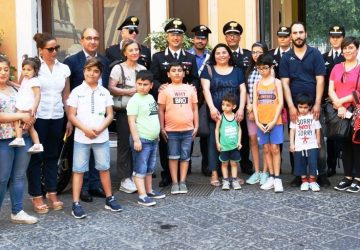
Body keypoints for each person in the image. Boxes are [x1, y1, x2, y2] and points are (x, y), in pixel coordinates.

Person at [67, 58, 122, 219]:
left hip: (101, 137)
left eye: (96, 71)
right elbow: (71, 114)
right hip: (81, 137)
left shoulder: (104, 91)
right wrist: (85, 129)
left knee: (104, 168)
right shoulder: (77, 91)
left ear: (100, 74)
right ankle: (76, 203)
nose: (92, 74)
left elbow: (110, 114)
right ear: (84, 71)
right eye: (89, 70)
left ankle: (109, 198)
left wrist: (100, 128)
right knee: (78, 170)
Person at [279, 21, 329, 187]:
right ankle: (298, 174)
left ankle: (321, 173)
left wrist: (317, 103)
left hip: (313, 105)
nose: (298, 36)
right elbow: (285, 83)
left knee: (317, 139)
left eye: (301, 32)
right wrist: (291, 106)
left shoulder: (315, 54)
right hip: (295, 107)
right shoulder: (286, 57)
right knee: (296, 140)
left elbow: (320, 80)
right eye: (295, 33)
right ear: (291, 36)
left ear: (306, 34)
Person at [150, 18, 199, 187]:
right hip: (166, 105)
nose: (176, 37)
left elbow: (195, 79)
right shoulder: (157, 57)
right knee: (166, 142)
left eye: (179, 34)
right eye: (172, 34)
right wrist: (160, 86)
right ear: (167, 37)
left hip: (184, 104)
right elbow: (153, 78)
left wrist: (192, 87)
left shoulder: (190, 58)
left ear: (182, 37)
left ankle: (183, 175)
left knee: (185, 142)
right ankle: (167, 174)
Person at [27, 32, 71, 213]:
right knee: (36, 157)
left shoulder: (63, 69)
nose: (54, 52)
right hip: (39, 118)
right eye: (50, 49)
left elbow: (66, 95)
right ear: (41, 50)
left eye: (56, 48)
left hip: (57, 117)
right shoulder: (34, 67)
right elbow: (25, 90)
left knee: (52, 156)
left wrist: (69, 119)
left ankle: (52, 192)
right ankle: (36, 195)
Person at [63, 27, 109, 202]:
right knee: (82, 155)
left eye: (96, 38)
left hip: (99, 116)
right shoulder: (71, 61)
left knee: (99, 152)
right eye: (88, 38)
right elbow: (67, 93)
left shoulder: (104, 60)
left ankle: (96, 185)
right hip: (79, 118)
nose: (92, 41)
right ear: (81, 40)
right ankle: (84, 188)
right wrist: (69, 119)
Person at [201, 43, 246, 186]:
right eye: (218, 53)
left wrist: (241, 109)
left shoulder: (238, 71)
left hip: (233, 114)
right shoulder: (208, 70)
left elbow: (243, 91)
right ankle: (214, 173)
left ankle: (234, 175)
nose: (221, 55)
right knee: (214, 143)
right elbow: (206, 90)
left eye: (224, 52)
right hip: (216, 113)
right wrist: (212, 108)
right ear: (214, 55)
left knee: (233, 140)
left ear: (229, 55)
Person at [0, 55, 38, 224]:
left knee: (19, 176)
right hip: (4, 139)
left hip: (24, 136)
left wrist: (31, 118)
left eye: (6, 69)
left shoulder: (17, 88)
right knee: (2, 178)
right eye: (0, 70)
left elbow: (31, 105)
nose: (3, 73)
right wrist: (21, 115)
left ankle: (17, 211)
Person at [108, 39, 146, 193]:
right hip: (124, 111)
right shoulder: (118, 68)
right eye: (131, 50)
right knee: (124, 143)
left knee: (138, 143)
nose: (134, 53)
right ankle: (124, 178)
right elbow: (111, 88)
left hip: (140, 112)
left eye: (136, 50)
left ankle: (136, 174)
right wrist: (129, 91)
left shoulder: (142, 68)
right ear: (124, 52)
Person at [158, 62, 198, 194]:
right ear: (168, 74)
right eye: (173, 70)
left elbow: (195, 109)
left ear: (184, 73)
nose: (176, 73)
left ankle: (183, 181)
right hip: (171, 131)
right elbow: (161, 110)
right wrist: (162, 127)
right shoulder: (164, 90)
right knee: (173, 157)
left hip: (188, 130)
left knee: (185, 157)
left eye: (179, 70)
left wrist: (196, 126)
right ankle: (175, 182)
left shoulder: (190, 89)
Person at [127, 70, 165, 206]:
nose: (142, 87)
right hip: (141, 140)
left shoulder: (150, 98)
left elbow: (153, 117)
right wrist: (136, 140)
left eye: (145, 84)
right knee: (140, 168)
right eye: (139, 84)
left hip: (153, 139)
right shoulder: (134, 100)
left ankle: (149, 190)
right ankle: (142, 195)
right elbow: (132, 122)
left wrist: (157, 134)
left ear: (151, 85)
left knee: (150, 168)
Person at [328, 36, 360, 193]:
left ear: (357, 49)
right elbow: (330, 90)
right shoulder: (337, 67)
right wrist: (338, 105)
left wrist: (341, 102)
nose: (347, 50)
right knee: (344, 144)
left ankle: (358, 178)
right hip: (339, 112)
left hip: (356, 112)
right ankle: (347, 176)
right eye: (345, 48)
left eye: (351, 47)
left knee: (357, 144)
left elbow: (359, 93)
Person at [223, 21, 253, 175]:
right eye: (229, 34)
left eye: (235, 34)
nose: (232, 37)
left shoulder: (248, 55)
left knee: (244, 133)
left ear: (240, 36)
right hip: (226, 100)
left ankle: (245, 162)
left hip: (243, 98)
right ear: (226, 37)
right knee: (225, 132)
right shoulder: (220, 53)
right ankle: (224, 163)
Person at [253, 53, 284, 192]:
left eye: (265, 68)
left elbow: (280, 103)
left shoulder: (277, 82)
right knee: (266, 149)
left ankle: (277, 178)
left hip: (275, 121)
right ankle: (271, 176)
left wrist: (273, 121)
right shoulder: (257, 83)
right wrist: (258, 121)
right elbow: (254, 103)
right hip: (261, 122)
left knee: (275, 148)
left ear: (271, 67)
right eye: (260, 68)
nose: (262, 71)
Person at [188, 24, 212, 177]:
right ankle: (186, 166)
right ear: (193, 39)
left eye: (203, 38)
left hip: (204, 99)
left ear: (207, 40)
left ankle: (207, 166)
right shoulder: (186, 55)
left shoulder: (211, 57)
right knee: (187, 134)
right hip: (187, 100)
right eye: (198, 38)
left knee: (205, 133)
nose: (200, 41)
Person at [244, 42, 269, 186]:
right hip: (251, 112)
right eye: (253, 52)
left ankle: (265, 171)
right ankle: (256, 170)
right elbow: (247, 91)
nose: (256, 55)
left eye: (259, 52)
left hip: (265, 111)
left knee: (265, 142)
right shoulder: (249, 70)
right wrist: (250, 108)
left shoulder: (268, 70)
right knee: (253, 140)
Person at [322, 25, 345, 177]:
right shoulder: (323, 58)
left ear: (343, 38)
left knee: (346, 134)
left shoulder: (349, 56)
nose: (335, 39)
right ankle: (330, 165)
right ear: (329, 38)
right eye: (332, 36)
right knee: (330, 136)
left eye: (338, 36)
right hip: (329, 101)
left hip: (345, 102)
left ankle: (349, 168)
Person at [9, 56, 43, 153]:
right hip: (25, 106)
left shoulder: (35, 81)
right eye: (24, 69)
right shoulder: (26, 80)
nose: (25, 72)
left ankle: (19, 138)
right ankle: (37, 144)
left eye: (29, 70)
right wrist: (12, 84)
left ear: (35, 71)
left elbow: (37, 95)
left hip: (28, 108)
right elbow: (23, 88)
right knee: (31, 128)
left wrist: (34, 108)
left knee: (16, 118)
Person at [289, 93, 321, 192]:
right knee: (300, 163)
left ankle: (312, 181)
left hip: (312, 144)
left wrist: (318, 141)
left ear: (310, 107)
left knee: (312, 163)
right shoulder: (295, 117)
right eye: (300, 107)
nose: (303, 109)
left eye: (305, 107)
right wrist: (291, 144)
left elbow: (318, 129)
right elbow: (292, 130)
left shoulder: (313, 116)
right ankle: (304, 181)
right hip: (299, 146)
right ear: (297, 106)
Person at [215, 93, 242, 190]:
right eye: (223, 104)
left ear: (234, 106)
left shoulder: (236, 117)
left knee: (234, 163)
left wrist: (239, 142)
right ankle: (225, 181)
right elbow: (217, 130)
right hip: (224, 146)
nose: (224, 107)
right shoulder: (221, 117)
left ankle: (234, 180)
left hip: (234, 146)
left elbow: (239, 130)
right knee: (224, 163)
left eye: (228, 105)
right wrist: (218, 143)